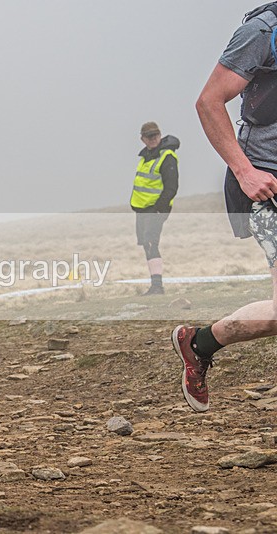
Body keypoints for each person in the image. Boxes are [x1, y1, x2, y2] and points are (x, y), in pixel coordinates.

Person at [174, 2, 277, 412]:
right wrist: (245, 172)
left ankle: (200, 342)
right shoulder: (264, 31)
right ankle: (199, 344)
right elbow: (209, 101)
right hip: (266, 182)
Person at [130, 121, 179, 296]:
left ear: (160, 135)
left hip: (155, 209)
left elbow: (171, 187)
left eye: (155, 135)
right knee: (146, 244)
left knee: (151, 243)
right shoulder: (145, 157)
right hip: (142, 209)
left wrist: (160, 209)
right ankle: (155, 284)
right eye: (149, 136)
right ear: (142, 139)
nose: (153, 139)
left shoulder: (167, 157)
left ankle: (157, 285)